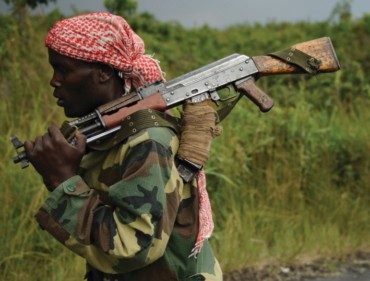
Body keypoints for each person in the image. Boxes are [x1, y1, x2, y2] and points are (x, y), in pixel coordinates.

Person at [24, 12, 222, 281]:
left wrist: (63, 180)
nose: (54, 81)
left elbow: (132, 247)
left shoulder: (147, 139)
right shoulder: (111, 134)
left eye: (64, 70)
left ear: (103, 73)